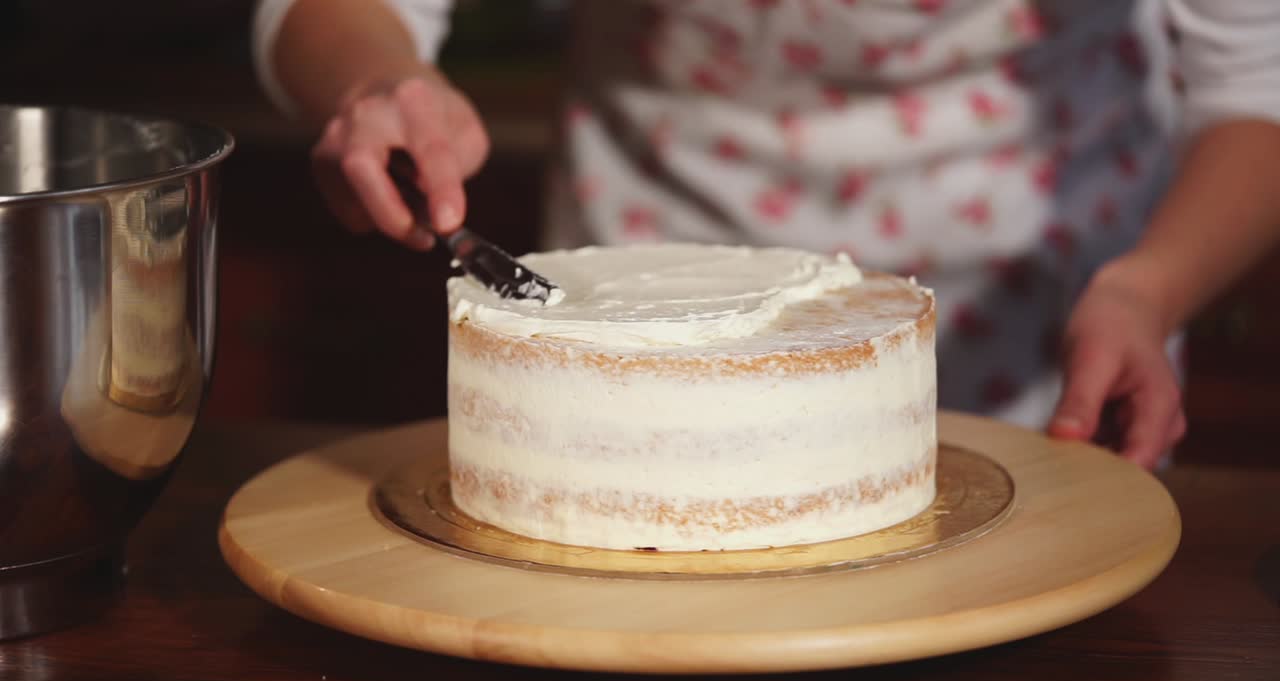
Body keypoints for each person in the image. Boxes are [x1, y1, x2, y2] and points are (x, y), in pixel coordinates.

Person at [252, 0, 1280, 470]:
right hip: (636, 277)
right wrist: (376, 80)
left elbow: (1257, 79)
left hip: (1044, 317)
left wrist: (1147, 290)